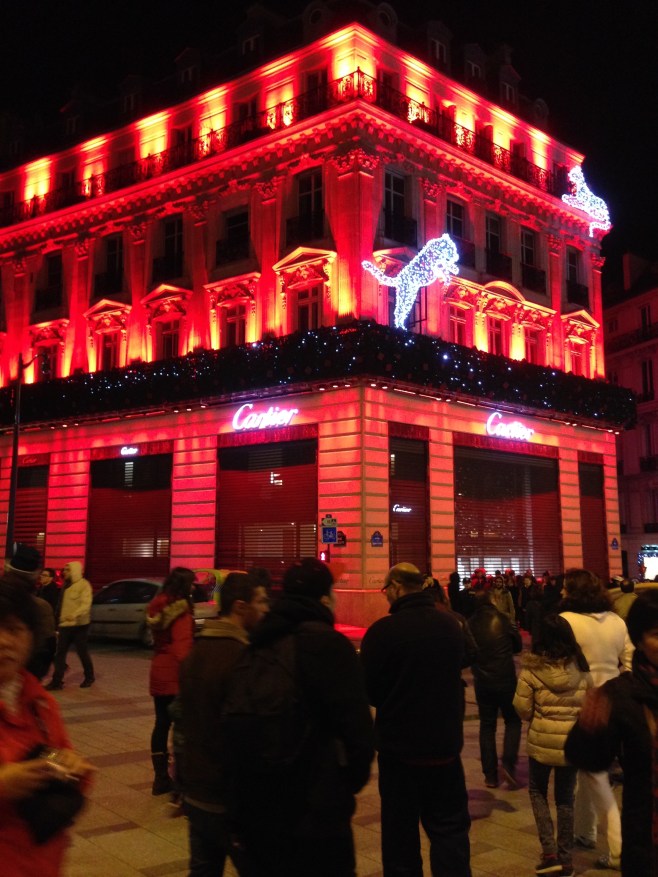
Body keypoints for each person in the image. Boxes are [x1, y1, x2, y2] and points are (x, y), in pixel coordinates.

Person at [232, 557, 373, 877]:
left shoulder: (260, 640)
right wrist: (343, 786)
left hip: (261, 806)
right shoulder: (329, 645)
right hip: (316, 810)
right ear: (324, 598)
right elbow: (359, 734)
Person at [361, 562, 472, 877]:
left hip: (400, 753)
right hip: (444, 749)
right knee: (449, 831)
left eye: (386, 589)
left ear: (396, 587)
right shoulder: (451, 625)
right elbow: (463, 663)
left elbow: (369, 691)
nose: (386, 595)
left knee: (400, 839)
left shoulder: (383, 632)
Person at [0, 577, 94, 876]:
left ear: (30, 637)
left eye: (14, 629)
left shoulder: (41, 702)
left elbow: (63, 757)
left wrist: (70, 765)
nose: (4, 641)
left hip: (43, 863)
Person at [179, 571, 270, 875]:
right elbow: (248, 736)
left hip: (197, 791)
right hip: (230, 798)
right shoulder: (242, 659)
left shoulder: (197, 652)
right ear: (241, 606)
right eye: (261, 601)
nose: (266, 609)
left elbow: (182, 722)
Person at [565, 590, 658, 877]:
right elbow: (589, 760)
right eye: (657, 634)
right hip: (647, 835)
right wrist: (589, 727)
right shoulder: (622, 695)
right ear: (639, 641)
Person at [559, 568, 633, 869]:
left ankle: (618, 849)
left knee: (595, 774)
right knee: (587, 770)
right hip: (617, 703)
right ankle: (585, 831)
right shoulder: (616, 621)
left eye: (565, 588)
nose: (561, 592)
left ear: (573, 592)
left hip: (583, 705)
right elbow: (630, 661)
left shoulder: (565, 621)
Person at [513, 614, 593, 877]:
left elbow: (522, 709)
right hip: (571, 744)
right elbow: (589, 705)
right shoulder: (581, 667)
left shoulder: (532, 669)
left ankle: (549, 853)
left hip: (541, 742)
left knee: (537, 791)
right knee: (565, 799)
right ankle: (566, 859)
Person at [147, 566, 196, 796]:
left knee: (161, 724)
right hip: (175, 675)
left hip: (158, 669)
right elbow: (182, 648)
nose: (194, 587)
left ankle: (160, 778)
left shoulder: (157, 606)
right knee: (182, 726)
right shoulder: (180, 611)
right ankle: (182, 778)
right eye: (192, 583)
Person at [467, 589, 522, 789]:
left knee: (487, 725)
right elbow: (517, 645)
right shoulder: (504, 619)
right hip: (505, 679)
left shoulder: (470, 623)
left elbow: (468, 651)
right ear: (492, 601)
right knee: (513, 720)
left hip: (483, 681)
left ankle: (490, 775)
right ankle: (508, 763)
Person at [46, 561, 95, 691]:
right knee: (60, 654)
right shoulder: (65, 586)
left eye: (67, 570)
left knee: (82, 652)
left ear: (75, 571)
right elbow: (60, 605)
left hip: (79, 626)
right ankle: (57, 681)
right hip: (65, 625)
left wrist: (74, 615)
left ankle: (89, 676)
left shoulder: (84, 585)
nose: (64, 572)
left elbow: (86, 604)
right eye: (64, 570)